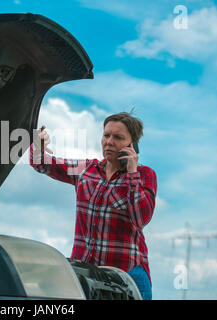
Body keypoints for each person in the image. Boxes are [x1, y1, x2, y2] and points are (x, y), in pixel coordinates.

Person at [29, 112, 157, 300]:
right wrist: (38, 147)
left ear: (133, 145)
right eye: (106, 135)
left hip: (127, 276)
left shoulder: (145, 175)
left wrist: (131, 173)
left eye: (118, 137)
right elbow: (43, 164)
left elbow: (141, 220)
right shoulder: (86, 170)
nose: (109, 142)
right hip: (85, 275)